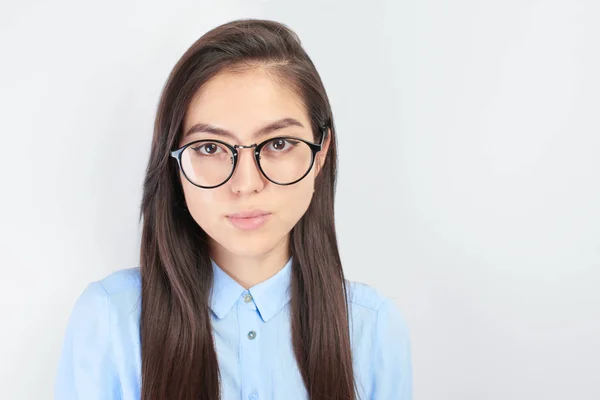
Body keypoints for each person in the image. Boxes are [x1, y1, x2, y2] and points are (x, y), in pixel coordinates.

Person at [54, 18, 412, 400]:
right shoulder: (109, 321)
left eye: (277, 144)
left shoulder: (373, 329)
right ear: (174, 162)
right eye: (210, 148)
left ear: (320, 153)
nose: (245, 184)